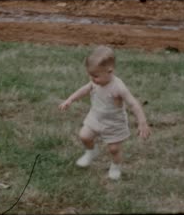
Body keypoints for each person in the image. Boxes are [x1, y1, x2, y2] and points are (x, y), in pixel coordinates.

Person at [58, 45, 151, 180]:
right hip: (95, 117)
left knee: (114, 149)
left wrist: (142, 122)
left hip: (114, 123)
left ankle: (115, 166)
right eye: (90, 75)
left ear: (109, 71)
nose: (92, 79)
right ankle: (91, 152)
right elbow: (84, 90)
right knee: (84, 136)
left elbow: (133, 104)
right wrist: (70, 100)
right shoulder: (94, 82)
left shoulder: (118, 87)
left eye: (95, 75)